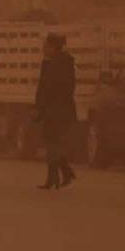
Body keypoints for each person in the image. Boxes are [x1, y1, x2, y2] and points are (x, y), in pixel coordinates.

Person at [34, 33, 78, 190]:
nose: (43, 49)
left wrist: (40, 107)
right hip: (59, 109)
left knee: (52, 143)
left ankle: (56, 176)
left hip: (55, 110)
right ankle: (62, 174)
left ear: (53, 47)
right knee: (53, 143)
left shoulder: (56, 64)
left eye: (45, 46)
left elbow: (47, 89)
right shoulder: (60, 63)